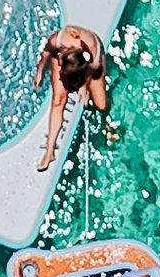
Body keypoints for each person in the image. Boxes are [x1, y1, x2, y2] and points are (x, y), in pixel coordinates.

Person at [36, 23, 113, 172]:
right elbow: (46, 53)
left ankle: (108, 123)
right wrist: (40, 70)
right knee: (58, 101)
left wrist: (84, 85)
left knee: (101, 105)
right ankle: (49, 151)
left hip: (88, 61)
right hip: (68, 58)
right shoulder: (57, 41)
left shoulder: (93, 57)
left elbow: (91, 70)